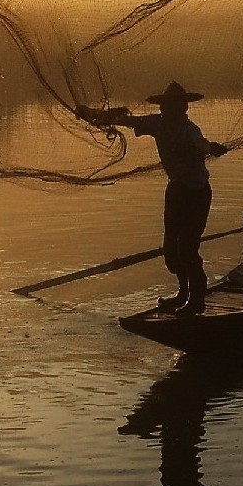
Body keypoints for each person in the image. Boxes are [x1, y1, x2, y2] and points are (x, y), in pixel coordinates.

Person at [77, 82, 228, 317]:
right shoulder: (157, 123)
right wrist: (93, 115)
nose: (172, 109)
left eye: (177, 104)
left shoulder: (189, 129)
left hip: (196, 193)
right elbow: (129, 121)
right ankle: (183, 292)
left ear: (183, 107)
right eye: (168, 105)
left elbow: (201, 145)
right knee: (172, 250)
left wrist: (211, 148)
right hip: (177, 190)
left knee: (187, 248)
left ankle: (196, 301)